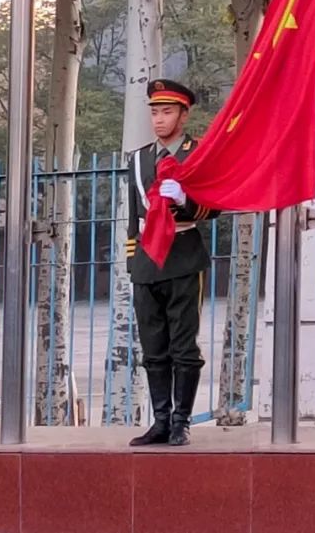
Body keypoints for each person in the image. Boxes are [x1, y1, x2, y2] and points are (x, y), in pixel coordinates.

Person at [126, 79, 217, 447]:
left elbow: (214, 205)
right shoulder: (139, 158)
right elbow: (134, 214)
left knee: (183, 345)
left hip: (182, 250)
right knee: (153, 345)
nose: (159, 120)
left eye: (167, 112)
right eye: (154, 112)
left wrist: (185, 200)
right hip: (148, 256)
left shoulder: (198, 153)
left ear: (183, 114)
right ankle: (160, 420)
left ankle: (182, 421)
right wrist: (134, 259)